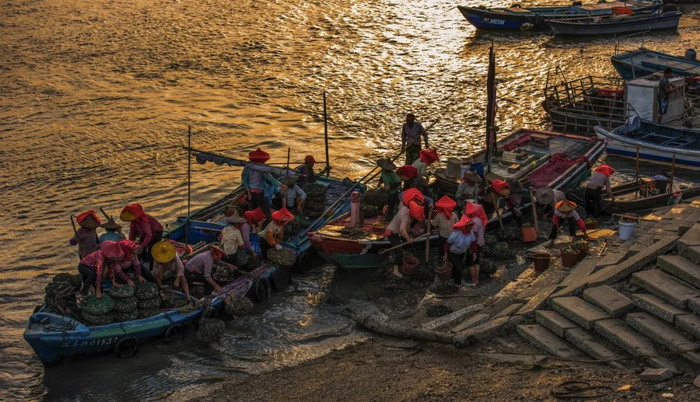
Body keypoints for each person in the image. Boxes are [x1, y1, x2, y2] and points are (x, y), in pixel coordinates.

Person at [386, 188, 425, 277]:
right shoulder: (405, 215)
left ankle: (400, 262)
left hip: (397, 231)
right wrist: (408, 238)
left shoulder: (405, 208)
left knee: (403, 246)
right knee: (399, 252)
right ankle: (395, 270)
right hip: (392, 233)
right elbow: (402, 230)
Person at [242, 148, 276, 218]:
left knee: (254, 205)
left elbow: (268, 178)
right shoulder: (249, 166)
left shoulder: (258, 166)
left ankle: (254, 218)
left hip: (256, 188)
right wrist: (248, 190)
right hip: (253, 189)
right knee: (261, 207)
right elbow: (244, 178)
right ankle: (261, 218)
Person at [445, 215, 476, 287]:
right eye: (468, 227)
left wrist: (474, 253)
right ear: (463, 227)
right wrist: (446, 254)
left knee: (455, 267)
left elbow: (473, 243)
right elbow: (447, 244)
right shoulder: (455, 234)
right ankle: (457, 283)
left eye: (470, 227)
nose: (469, 229)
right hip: (453, 253)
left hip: (461, 253)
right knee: (459, 268)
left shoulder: (471, 234)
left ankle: (452, 279)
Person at [464, 201, 488, 285]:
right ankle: (477, 279)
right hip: (481, 242)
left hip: (474, 244)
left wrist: (472, 250)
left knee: (470, 262)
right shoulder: (480, 219)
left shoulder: (473, 221)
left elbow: (474, 236)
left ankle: (474, 280)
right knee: (477, 261)